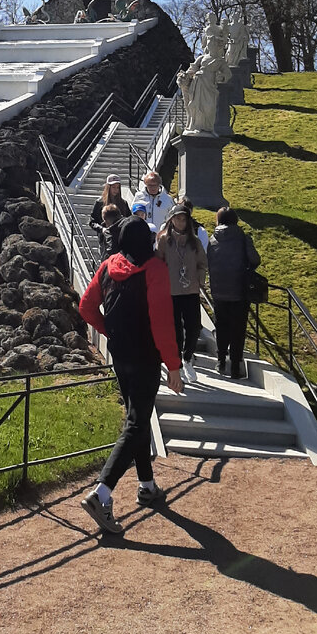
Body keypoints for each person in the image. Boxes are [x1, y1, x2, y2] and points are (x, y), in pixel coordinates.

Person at [78, 217, 182, 535]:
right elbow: (162, 321)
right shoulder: (154, 270)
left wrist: (107, 329)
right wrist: (174, 365)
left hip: (120, 354)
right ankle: (102, 493)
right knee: (138, 422)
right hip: (146, 355)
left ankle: (147, 485)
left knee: (136, 418)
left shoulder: (110, 265)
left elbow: (86, 306)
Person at [207, 207, 261, 379]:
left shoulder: (212, 239)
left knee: (221, 327)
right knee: (238, 329)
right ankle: (236, 366)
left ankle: (221, 360)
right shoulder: (243, 238)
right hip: (239, 290)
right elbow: (255, 259)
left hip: (218, 291)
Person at [157, 205, 208, 384]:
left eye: (184, 219)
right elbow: (159, 262)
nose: (181, 222)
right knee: (176, 329)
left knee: (193, 327)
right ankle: (177, 360)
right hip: (171, 291)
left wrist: (199, 279)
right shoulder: (164, 239)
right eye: (177, 218)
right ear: (171, 220)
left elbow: (202, 262)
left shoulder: (194, 241)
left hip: (191, 290)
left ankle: (188, 357)